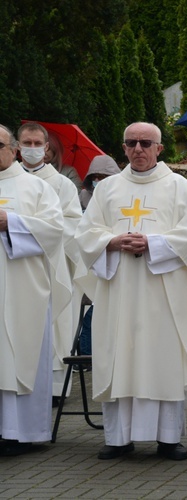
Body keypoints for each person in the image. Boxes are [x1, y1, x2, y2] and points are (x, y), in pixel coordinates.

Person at [74, 122, 187, 461]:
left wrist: (153, 243)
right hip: (119, 289)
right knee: (120, 355)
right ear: (123, 147)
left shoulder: (181, 188)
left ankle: (168, 438)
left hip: (165, 291)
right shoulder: (107, 189)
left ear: (160, 148)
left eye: (146, 143)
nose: (138, 149)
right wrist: (113, 241)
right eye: (131, 142)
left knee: (164, 357)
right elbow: (86, 233)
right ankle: (118, 439)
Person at [0, 124, 69, 456]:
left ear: (12, 150)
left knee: (20, 354)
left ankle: (21, 432)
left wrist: (10, 222)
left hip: (23, 288)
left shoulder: (36, 188)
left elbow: (56, 231)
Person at [17, 122, 82, 403]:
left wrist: (39, 233)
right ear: (17, 148)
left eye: (36, 144)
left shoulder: (61, 184)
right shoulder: (7, 181)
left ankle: (54, 388)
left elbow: (73, 225)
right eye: (26, 143)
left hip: (52, 266)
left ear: (46, 149)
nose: (31, 149)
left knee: (53, 326)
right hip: (14, 267)